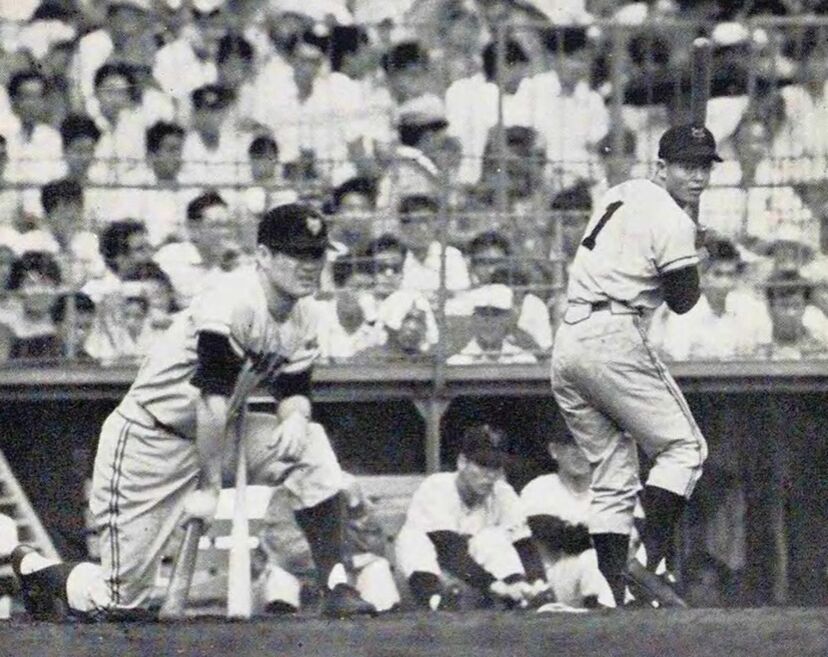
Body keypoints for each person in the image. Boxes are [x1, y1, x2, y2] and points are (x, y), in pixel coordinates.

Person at [10, 203, 376, 620]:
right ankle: (37, 570)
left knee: (310, 441)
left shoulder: (306, 315)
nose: (309, 264)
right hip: (150, 440)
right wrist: (210, 485)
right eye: (296, 253)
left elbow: (293, 388)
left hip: (217, 434)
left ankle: (337, 584)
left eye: (316, 254)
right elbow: (211, 399)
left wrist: (294, 416)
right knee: (118, 601)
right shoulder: (232, 300)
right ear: (263, 255)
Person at [550, 124, 717, 608]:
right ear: (662, 167)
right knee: (686, 449)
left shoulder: (621, 192)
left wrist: (686, 245)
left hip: (570, 339)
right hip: (614, 334)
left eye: (704, 166)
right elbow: (683, 302)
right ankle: (648, 560)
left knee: (612, 474)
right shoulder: (672, 219)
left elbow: (635, 254)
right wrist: (697, 255)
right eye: (686, 166)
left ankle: (614, 595)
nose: (697, 176)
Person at [395, 424, 547, 611]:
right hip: (428, 580)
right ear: (462, 462)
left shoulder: (502, 492)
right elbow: (449, 549)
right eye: (482, 465)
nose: (490, 475)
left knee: (492, 537)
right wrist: (496, 586)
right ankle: (435, 601)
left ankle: (518, 600)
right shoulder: (436, 487)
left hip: (480, 581)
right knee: (413, 538)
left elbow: (523, 544)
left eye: (496, 466)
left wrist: (537, 583)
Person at [257, 471, 400, 615]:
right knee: (279, 575)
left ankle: (382, 622)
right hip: (303, 574)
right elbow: (287, 549)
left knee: (377, 567)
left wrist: (357, 511)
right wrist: (337, 565)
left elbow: (374, 545)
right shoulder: (286, 492)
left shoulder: (347, 485)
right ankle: (283, 621)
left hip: (349, 572)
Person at [520, 433, 614, 609]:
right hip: (552, 583)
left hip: (603, 581)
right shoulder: (539, 489)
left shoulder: (611, 491)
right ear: (554, 450)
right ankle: (597, 614)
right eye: (572, 445)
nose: (581, 453)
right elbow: (558, 540)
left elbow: (634, 540)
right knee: (592, 558)